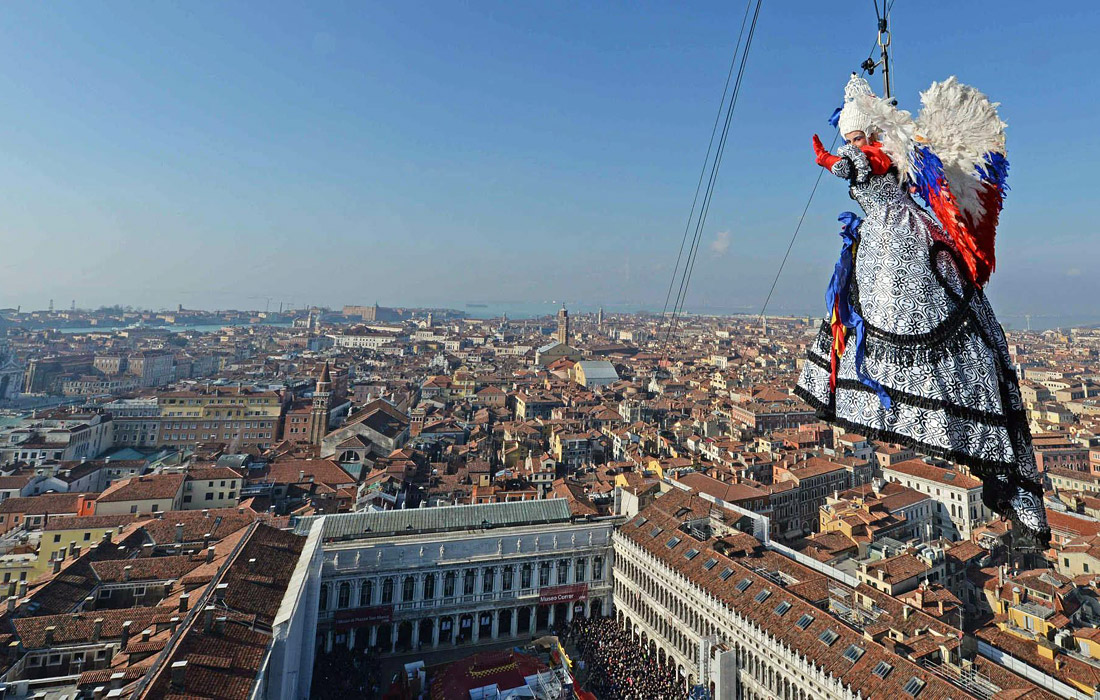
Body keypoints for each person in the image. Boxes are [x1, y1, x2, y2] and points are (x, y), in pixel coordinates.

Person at [795, 74, 1050, 549]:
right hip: (896, 238)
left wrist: (828, 158)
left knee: (893, 309)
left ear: (867, 132)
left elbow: (853, 167)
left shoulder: (870, 154)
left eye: (853, 134)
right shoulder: (888, 152)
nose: (849, 141)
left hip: (895, 243)